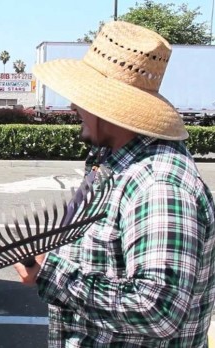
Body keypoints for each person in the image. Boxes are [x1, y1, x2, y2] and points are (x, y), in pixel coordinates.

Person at [14, 21, 215, 347]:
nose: (73, 106)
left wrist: (54, 275)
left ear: (109, 106)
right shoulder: (114, 163)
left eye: (82, 97)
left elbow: (158, 310)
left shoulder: (159, 185)